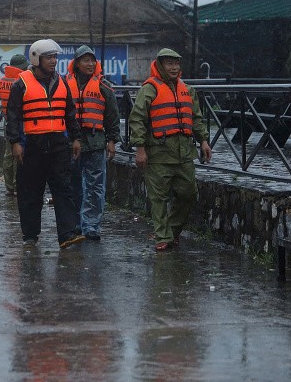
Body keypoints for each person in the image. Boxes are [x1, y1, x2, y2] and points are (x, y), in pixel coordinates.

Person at [129, 48, 212, 252]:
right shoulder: (149, 89)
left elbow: (196, 118)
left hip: (184, 154)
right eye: (169, 64)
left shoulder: (187, 89)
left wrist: (203, 140)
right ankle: (163, 236)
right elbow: (137, 119)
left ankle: (172, 230)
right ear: (160, 65)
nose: (174, 68)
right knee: (158, 198)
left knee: (189, 193)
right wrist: (140, 148)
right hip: (158, 153)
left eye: (176, 64)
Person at [5, 39, 85, 250]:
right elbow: (12, 116)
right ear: (36, 59)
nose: (53, 61)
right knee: (30, 191)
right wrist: (15, 142)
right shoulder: (21, 84)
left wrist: (76, 138)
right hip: (32, 143)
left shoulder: (62, 82)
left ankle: (66, 234)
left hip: (58, 142)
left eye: (55, 57)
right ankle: (30, 235)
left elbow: (70, 113)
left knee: (63, 187)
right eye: (48, 57)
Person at [64, 45, 121, 241]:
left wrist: (112, 140)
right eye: (85, 60)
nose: (89, 64)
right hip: (71, 142)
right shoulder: (64, 85)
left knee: (96, 186)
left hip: (96, 141)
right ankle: (76, 225)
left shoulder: (103, 86)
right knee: (73, 185)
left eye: (92, 60)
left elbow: (112, 116)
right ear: (77, 63)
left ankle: (91, 226)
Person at [0, 54, 29, 197]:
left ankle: (9, 186)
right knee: (18, 154)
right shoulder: (20, 81)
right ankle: (17, 185)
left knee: (8, 155)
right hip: (19, 122)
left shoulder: (2, 81)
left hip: (7, 121)